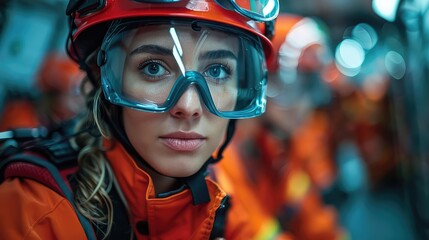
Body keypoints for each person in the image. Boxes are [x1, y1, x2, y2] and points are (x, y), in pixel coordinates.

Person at [0, 0, 279, 239]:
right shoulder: (36, 212)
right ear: (104, 78)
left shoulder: (220, 195)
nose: (189, 105)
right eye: (154, 68)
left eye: (217, 71)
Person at [214, 13, 347, 239]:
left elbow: (313, 219)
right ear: (261, 81)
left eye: (312, 87)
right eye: (299, 84)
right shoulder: (220, 160)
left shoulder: (277, 151)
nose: (306, 105)